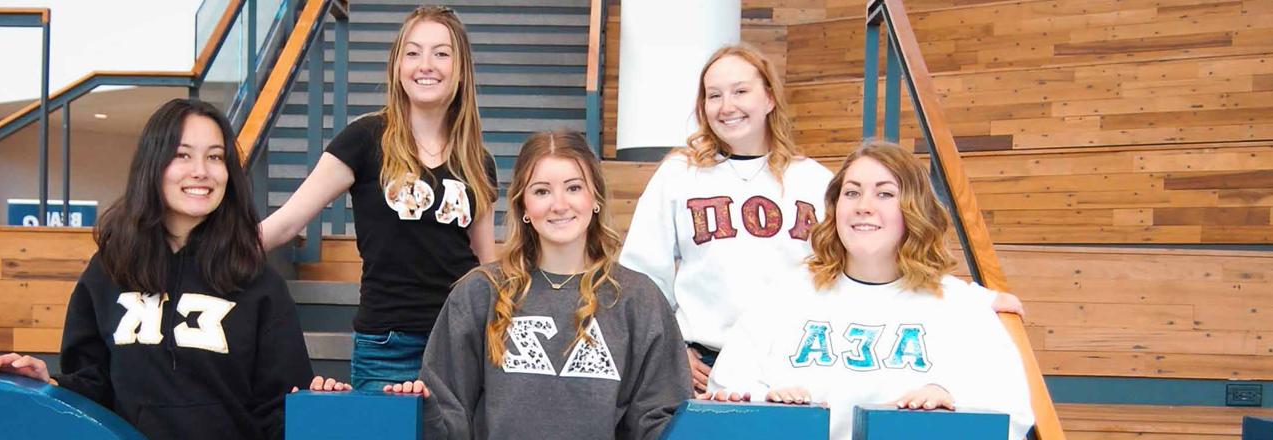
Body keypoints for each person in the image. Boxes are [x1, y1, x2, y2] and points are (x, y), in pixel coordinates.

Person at [620, 44, 1022, 395]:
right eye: (714, 95)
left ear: (770, 98)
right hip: (700, 366)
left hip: (788, 364)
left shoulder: (812, 179)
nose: (727, 106)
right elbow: (641, 274)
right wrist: (671, 349)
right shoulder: (678, 174)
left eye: (741, 91)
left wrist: (974, 298)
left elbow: (876, 259)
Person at [0, 98, 312, 440]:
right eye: (182, 154)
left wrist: (323, 400)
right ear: (154, 164)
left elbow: (282, 408)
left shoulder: (259, 282)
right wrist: (49, 382)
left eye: (215, 156)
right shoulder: (109, 270)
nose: (201, 171)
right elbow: (93, 386)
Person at [309, 131, 691, 439]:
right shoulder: (479, 292)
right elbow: (449, 414)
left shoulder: (638, 299)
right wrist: (418, 408)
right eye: (542, 191)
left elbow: (659, 421)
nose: (559, 204)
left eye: (573, 187)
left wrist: (721, 412)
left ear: (594, 198)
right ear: (524, 206)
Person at [705, 139, 1034, 440]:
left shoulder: (958, 307)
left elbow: (1013, 416)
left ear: (913, 208)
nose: (864, 205)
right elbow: (728, 389)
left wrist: (948, 398)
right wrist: (767, 401)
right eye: (852, 192)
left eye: (885, 193)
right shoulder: (785, 297)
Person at [255, 5, 498, 391]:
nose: (426, 64)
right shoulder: (364, 139)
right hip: (388, 346)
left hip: (460, 340)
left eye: (441, 52)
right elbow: (285, 223)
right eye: (413, 52)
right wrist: (207, 253)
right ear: (397, 65)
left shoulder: (477, 159)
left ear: (460, 68)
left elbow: (487, 265)